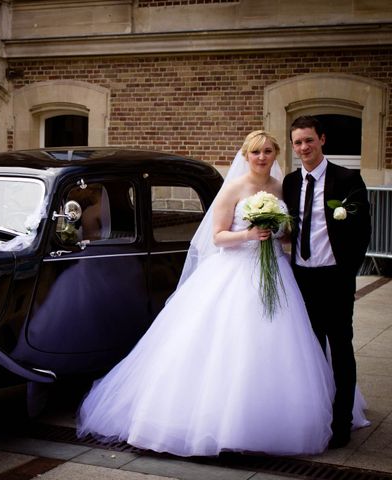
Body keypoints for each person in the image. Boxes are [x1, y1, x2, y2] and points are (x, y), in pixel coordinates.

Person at [76, 130, 337, 456]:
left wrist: (278, 233)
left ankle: (266, 420)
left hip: (275, 273)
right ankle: (214, 423)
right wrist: (249, 235)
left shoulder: (280, 188)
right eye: (255, 152)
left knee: (276, 345)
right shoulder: (232, 189)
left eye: (268, 151)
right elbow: (217, 237)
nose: (262, 157)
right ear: (246, 155)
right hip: (235, 271)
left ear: (275, 154)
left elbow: (286, 235)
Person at [283, 115, 371, 449]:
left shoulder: (348, 178)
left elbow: (362, 230)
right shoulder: (291, 183)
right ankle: (317, 414)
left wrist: (348, 271)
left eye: (308, 140)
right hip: (302, 278)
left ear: (322, 139)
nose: (303, 147)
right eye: (297, 143)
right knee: (311, 350)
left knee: (341, 348)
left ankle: (342, 421)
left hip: (336, 278)